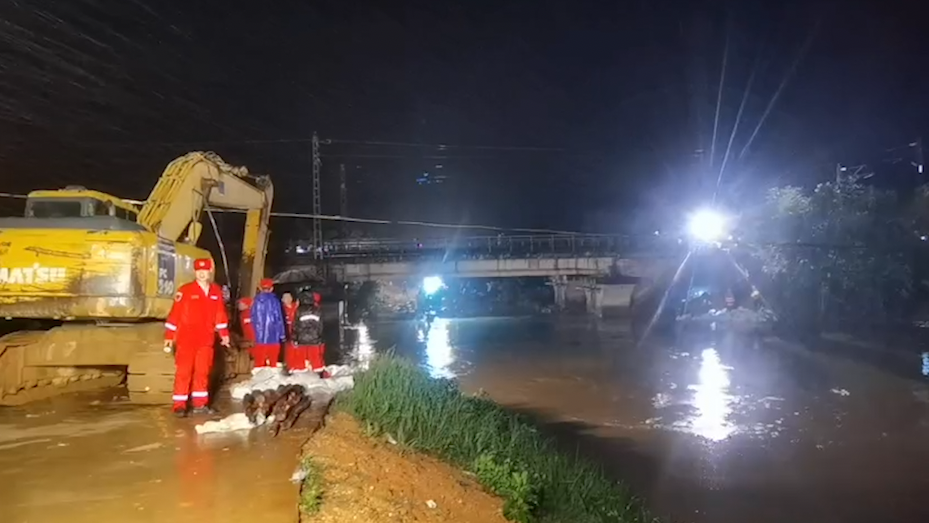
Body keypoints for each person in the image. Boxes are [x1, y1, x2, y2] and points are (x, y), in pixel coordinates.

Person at [163, 258, 230, 417]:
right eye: (198, 271)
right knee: (184, 372)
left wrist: (224, 335)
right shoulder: (185, 291)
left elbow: (220, 315)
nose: (201, 273)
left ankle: (200, 404)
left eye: (204, 270)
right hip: (186, 339)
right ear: (195, 272)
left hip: (206, 340)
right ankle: (179, 405)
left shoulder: (215, 291)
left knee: (203, 372)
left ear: (209, 272)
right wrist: (169, 336)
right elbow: (175, 314)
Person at [250, 279, 286, 370]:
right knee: (273, 363)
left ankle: (259, 381)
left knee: (259, 363)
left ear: (260, 288)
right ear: (272, 288)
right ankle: (271, 382)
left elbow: (253, 318)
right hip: (273, 336)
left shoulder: (256, 301)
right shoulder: (275, 301)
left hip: (259, 338)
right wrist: (282, 334)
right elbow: (279, 319)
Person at [291, 291, 328, 376]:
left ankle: (299, 374)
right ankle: (319, 375)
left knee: (300, 358)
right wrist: (320, 337)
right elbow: (320, 326)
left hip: (302, 339)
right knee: (315, 358)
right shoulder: (317, 310)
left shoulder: (299, 310)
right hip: (314, 339)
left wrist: (294, 338)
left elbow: (295, 325)